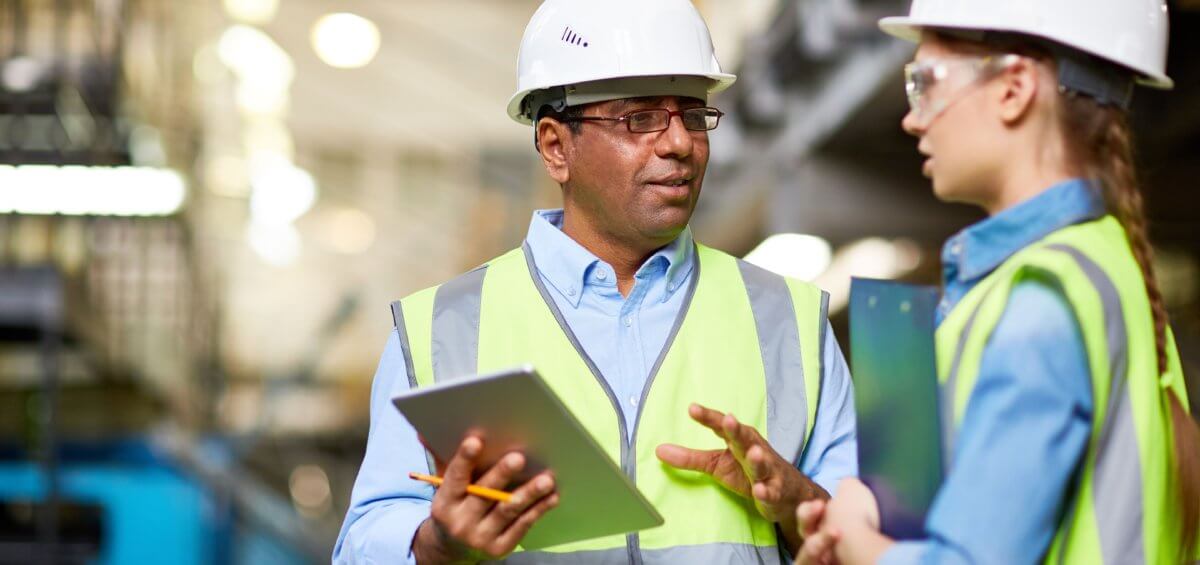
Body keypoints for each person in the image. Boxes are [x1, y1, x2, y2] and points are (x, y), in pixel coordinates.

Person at [333, 1, 858, 563]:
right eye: (641, 119)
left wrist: (798, 503)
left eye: (693, 113)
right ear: (556, 147)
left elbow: (866, 542)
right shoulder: (440, 329)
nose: (680, 142)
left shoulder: (790, 320)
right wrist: (439, 543)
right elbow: (366, 538)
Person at [794, 0, 1200, 563]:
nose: (912, 117)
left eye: (925, 82)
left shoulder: (1043, 301)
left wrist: (859, 541)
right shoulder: (1095, 271)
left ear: (1014, 88)